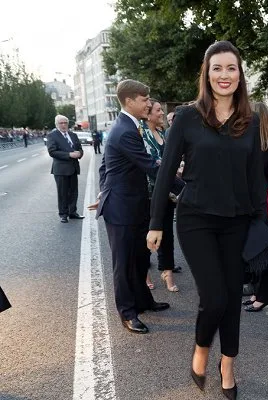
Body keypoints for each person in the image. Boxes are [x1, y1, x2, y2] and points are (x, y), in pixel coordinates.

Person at [146, 41, 265, 400]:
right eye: (217, 68)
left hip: (237, 221)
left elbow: (255, 179)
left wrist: (261, 224)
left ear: (240, 74)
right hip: (196, 218)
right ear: (207, 73)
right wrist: (155, 223)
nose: (225, 75)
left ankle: (227, 365)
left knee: (231, 299)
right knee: (214, 297)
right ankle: (201, 349)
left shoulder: (251, 119)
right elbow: (166, 171)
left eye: (232, 68)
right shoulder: (187, 116)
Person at [90, 79, 170, 335]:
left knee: (140, 257)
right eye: (144, 99)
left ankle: (143, 302)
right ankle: (127, 313)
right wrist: (188, 188)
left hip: (133, 205)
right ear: (129, 101)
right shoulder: (125, 129)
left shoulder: (128, 126)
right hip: (121, 209)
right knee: (123, 263)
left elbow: (105, 165)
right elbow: (151, 167)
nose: (148, 103)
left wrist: (104, 189)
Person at [243, 102, 268, 312]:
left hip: (259, 204)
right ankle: (259, 293)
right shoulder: (267, 145)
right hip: (259, 203)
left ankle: (264, 295)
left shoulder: (264, 147)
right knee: (256, 249)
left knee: (260, 250)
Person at [141, 100, 179, 292]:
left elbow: (169, 160)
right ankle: (145, 273)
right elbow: (150, 164)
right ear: (148, 114)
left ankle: (167, 272)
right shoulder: (142, 134)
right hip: (149, 194)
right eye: (158, 111)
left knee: (167, 235)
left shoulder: (163, 133)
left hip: (167, 192)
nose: (162, 114)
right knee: (148, 235)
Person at [46, 115, 84, 223]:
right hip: (61, 169)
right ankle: (63, 214)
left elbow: (79, 148)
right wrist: (69, 155)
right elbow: (52, 151)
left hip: (73, 168)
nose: (63, 125)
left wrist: (80, 154)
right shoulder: (52, 136)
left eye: (65, 123)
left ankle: (73, 212)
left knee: (73, 191)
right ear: (57, 124)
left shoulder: (73, 135)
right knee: (63, 193)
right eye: (61, 123)